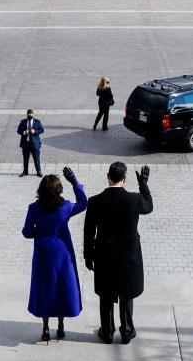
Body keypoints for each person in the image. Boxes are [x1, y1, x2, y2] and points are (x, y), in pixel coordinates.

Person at [83, 162, 153, 344]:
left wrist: (88, 256)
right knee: (126, 294)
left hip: (104, 256)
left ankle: (107, 332)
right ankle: (127, 332)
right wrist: (143, 184)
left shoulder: (95, 201)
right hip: (129, 257)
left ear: (108, 176)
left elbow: (89, 232)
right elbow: (149, 206)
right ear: (124, 178)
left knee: (106, 295)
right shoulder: (135, 199)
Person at [22, 168, 87, 341]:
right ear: (58, 190)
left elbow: (26, 232)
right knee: (62, 287)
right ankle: (61, 326)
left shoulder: (34, 208)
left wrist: (39, 233)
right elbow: (83, 203)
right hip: (63, 252)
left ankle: (45, 329)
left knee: (45, 288)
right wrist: (74, 182)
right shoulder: (65, 207)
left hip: (44, 252)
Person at [17, 109, 44, 178]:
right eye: (29, 116)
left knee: (36, 158)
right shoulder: (23, 122)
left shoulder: (37, 122)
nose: (30, 117)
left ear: (33, 115)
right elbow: (18, 130)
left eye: (31, 116)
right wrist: (23, 132)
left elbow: (42, 130)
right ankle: (25, 171)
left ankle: (39, 171)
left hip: (34, 144)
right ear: (27, 115)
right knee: (25, 158)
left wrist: (34, 131)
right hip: (26, 143)